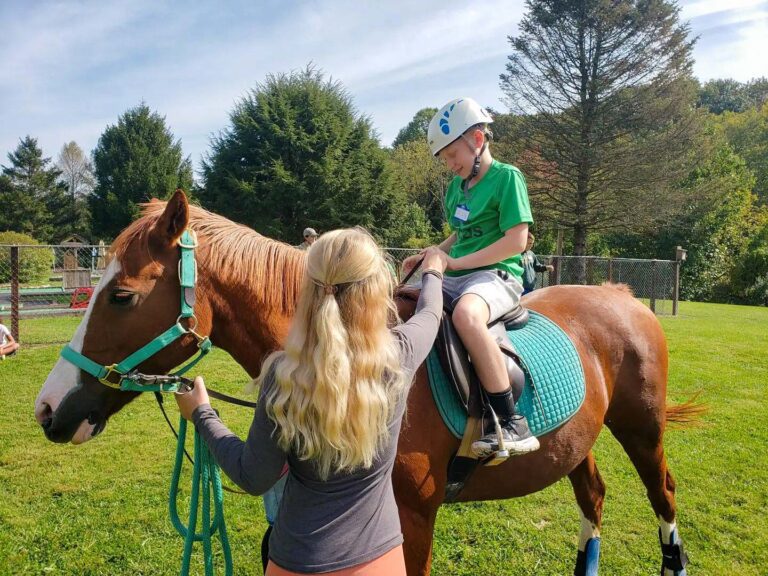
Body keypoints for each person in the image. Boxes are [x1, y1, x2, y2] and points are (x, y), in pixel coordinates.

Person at [176, 228, 446, 576]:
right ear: (375, 291)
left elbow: (253, 476)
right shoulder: (400, 356)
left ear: (309, 290)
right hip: (383, 558)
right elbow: (430, 314)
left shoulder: (283, 376)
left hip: (298, 560)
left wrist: (202, 414)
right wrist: (432, 271)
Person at [402, 97, 540, 458]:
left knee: (466, 316)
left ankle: (511, 421)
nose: (450, 164)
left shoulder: (507, 178)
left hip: (497, 275)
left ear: (477, 140)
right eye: (444, 159)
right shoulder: (456, 188)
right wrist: (432, 253)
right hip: (459, 274)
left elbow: (516, 241)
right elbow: (460, 235)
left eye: (452, 155)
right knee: (404, 300)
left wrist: (455, 263)